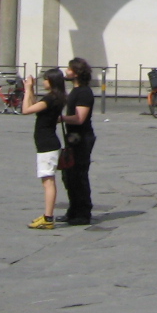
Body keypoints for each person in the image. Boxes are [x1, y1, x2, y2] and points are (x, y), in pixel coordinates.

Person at [21, 68, 66, 230]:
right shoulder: (55, 97)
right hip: (47, 144)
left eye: (45, 79)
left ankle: (48, 217)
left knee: (48, 181)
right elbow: (34, 106)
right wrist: (31, 90)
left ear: (51, 81)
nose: (43, 82)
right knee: (47, 180)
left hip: (48, 145)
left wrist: (26, 90)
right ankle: (47, 216)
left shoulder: (51, 98)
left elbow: (26, 110)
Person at [60, 57, 96, 225]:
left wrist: (61, 118)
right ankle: (73, 210)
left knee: (79, 175)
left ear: (76, 72)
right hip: (73, 138)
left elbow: (80, 118)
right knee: (69, 175)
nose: (66, 71)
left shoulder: (84, 92)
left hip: (82, 138)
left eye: (69, 69)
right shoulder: (75, 91)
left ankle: (83, 212)